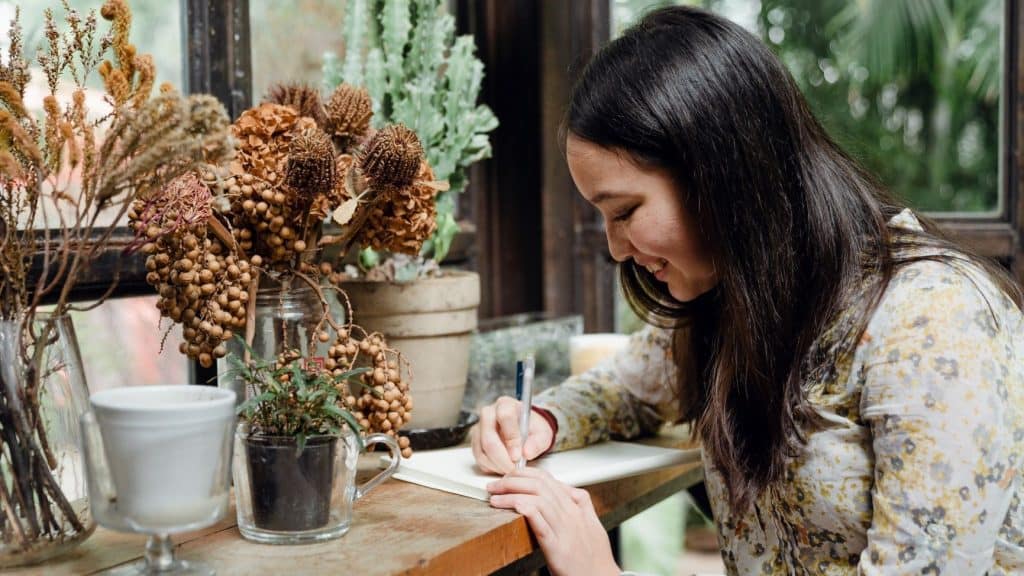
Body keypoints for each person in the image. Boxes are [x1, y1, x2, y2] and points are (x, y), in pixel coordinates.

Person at [470, 5, 1024, 576]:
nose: (615, 248)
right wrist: (542, 419)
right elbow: (629, 388)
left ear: (719, 173)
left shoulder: (933, 322)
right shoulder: (733, 297)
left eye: (625, 211)